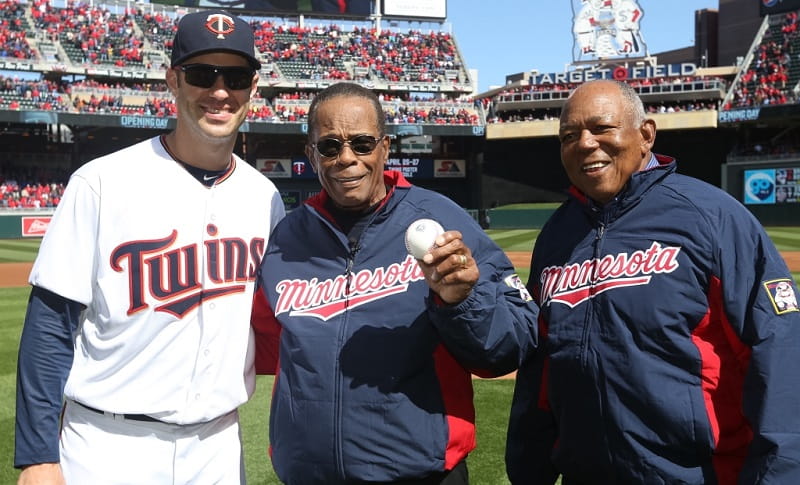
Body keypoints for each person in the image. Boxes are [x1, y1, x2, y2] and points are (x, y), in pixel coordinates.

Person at [14, 10, 285, 484]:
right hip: (109, 445)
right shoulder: (101, 182)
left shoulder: (265, 197)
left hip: (218, 445)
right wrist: (38, 457)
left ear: (253, 88)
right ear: (173, 81)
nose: (220, 92)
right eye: (203, 74)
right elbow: (49, 326)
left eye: (236, 77)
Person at [505, 79, 800, 484]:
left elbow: (780, 353)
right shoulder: (557, 237)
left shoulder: (712, 217)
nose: (585, 143)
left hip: (699, 474)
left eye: (602, 128)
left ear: (645, 135)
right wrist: (528, 469)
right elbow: (540, 371)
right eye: (568, 136)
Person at [250, 82, 538, 484]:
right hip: (308, 475)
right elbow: (260, 346)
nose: (346, 158)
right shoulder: (286, 239)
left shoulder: (440, 219)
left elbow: (512, 345)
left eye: (362, 143)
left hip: (419, 474)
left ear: (385, 148)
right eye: (330, 146)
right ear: (311, 154)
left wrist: (460, 303)